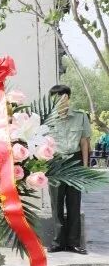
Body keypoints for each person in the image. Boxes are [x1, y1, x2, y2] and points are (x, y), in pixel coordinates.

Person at [48, 84, 91, 254]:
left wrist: (85, 167)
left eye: (63, 97)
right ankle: (58, 242)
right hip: (55, 162)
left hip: (75, 161)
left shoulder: (81, 116)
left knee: (74, 202)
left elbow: (84, 142)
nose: (60, 101)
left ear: (68, 98)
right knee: (56, 203)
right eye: (56, 98)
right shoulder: (47, 119)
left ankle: (74, 242)